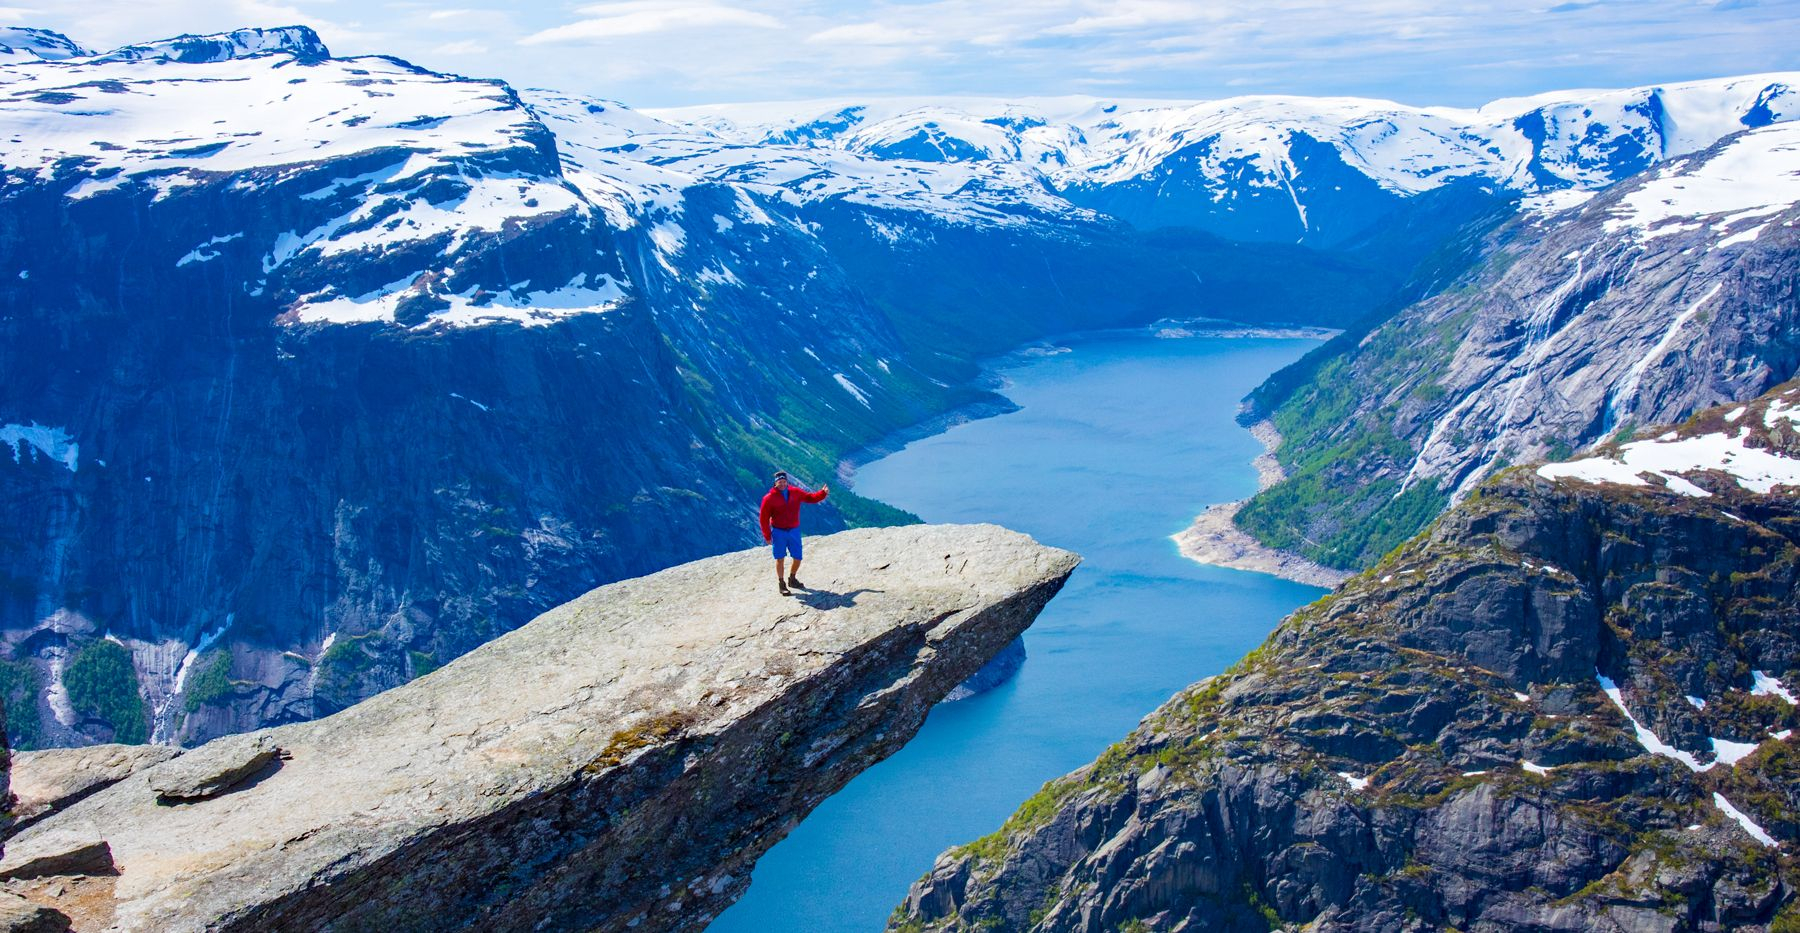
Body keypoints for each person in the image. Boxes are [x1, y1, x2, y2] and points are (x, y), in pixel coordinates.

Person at [759, 470, 829, 596]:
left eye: (784, 481)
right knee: (780, 558)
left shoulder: (795, 492)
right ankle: (781, 583)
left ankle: (792, 578)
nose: (782, 484)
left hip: (794, 531)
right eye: (779, 482)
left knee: (798, 557)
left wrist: (822, 494)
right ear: (775, 483)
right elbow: (763, 518)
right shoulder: (769, 498)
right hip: (779, 532)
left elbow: (809, 498)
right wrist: (767, 536)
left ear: (787, 482)